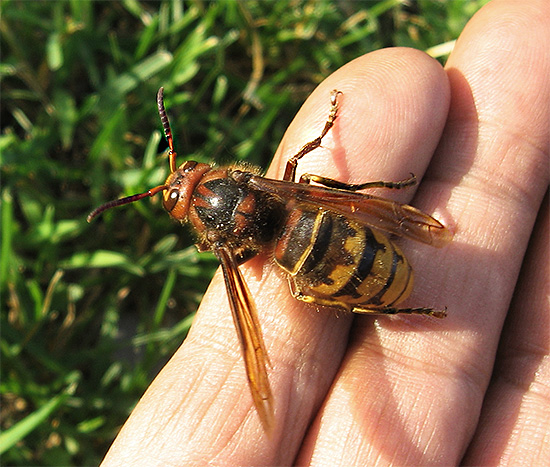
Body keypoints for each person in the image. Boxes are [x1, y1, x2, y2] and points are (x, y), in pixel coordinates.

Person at [102, 0, 549, 465]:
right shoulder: (252, 182)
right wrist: (367, 184)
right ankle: (390, 251)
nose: (183, 177)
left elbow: (240, 259)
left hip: (313, 257)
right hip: (321, 221)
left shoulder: (220, 245)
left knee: (303, 288)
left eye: (183, 173)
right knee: (309, 183)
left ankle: (389, 301)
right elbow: (298, 172)